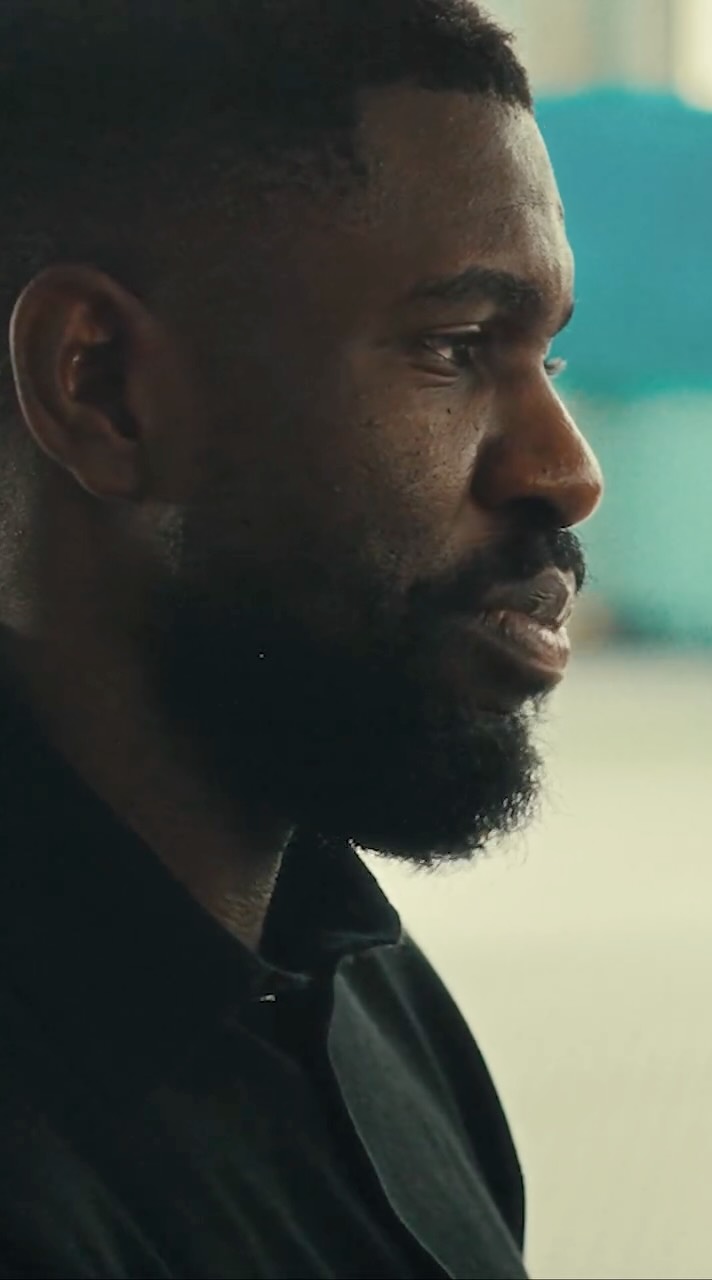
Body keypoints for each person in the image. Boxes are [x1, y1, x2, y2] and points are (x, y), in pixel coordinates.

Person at [0, 3, 603, 1277]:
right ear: (102, 386)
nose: (566, 470)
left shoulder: (360, 981)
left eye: (546, 357)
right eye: (457, 347)